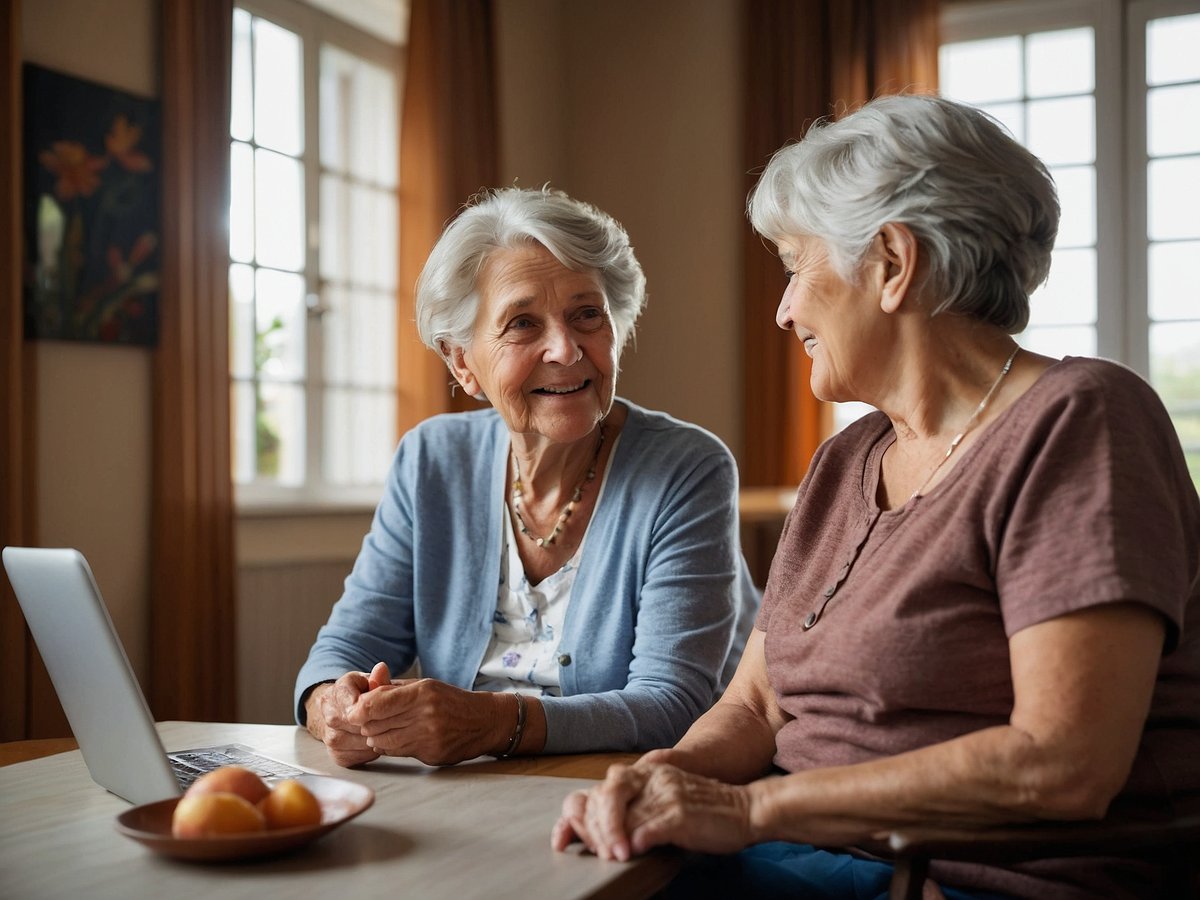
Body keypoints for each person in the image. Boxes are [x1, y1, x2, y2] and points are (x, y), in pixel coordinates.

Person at [552, 94, 1200, 899]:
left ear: (892, 263)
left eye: (796, 268)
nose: (785, 311)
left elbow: (1061, 763)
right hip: (794, 860)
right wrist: (659, 778)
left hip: (965, 880)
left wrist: (752, 810)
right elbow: (754, 706)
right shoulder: (845, 461)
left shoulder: (1079, 419)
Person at [295, 186, 758, 769]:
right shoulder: (432, 461)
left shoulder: (686, 469)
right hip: (473, 801)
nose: (566, 350)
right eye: (522, 323)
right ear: (462, 361)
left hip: (628, 792)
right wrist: (333, 707)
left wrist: (492, 724)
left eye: (587, 315)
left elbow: (673, 704)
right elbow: (345, 647)